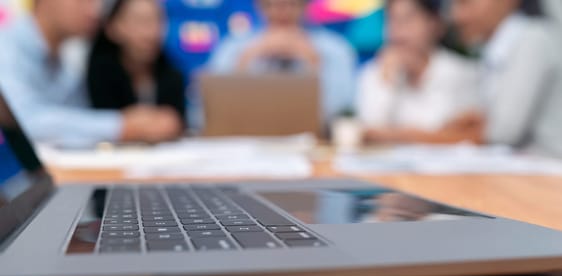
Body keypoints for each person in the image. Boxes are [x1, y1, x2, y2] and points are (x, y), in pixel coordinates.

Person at [0, 0, 183, 148]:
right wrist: (124, 126)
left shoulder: (65, 66)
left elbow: (75, 120)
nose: (94, 11)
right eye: (83, 1)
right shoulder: (7, 50)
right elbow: (21, 123)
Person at [357, 0, 481, 145]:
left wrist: (397, 135)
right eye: (392, 20)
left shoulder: (462, 73)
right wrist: (386, 83)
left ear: (435, 24)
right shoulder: (374, 72)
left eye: (408, 19)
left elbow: (468, 135)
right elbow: (367, 133)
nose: (399, 31)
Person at [207, 0, 357, 119]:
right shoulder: (232, 49)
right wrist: (244, 64)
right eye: (272, 5)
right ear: (259, 6)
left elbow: (343, 113)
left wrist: (314, 64)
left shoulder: (335, 49)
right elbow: (210, 113)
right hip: (247, 141)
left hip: (314, 141)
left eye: (291, 4)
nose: (282, 12)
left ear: (305, 5)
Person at [449, 0, 562, 156]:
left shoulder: (534, 38)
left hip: (548, 167)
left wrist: (421, 136)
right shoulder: (495, 49)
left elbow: (503, 133)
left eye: (467, 3)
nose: (456, 16)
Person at [87, 0, 186, 126]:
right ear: (112, 27)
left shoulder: (173, 75)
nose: (151, 32)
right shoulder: (96, 75)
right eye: (141, 21)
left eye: (157, 20)